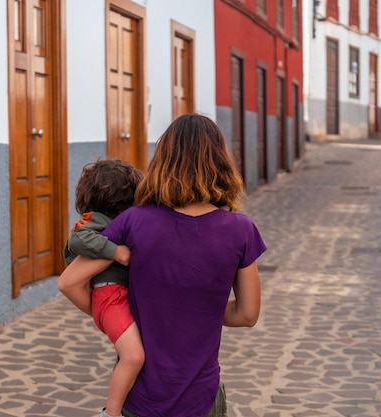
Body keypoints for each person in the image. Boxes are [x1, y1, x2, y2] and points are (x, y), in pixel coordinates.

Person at [58, 113, 267, 417]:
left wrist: (118, 314)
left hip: (139, 399)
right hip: (201, 399)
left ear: (163, 161)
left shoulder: (134, 221)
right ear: (222, 163)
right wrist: (195, 306)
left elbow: (70, 281)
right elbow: (247, 314)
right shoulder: (241, 231)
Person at [61, 158, 145, 417]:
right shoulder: (97, 220)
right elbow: (77, 239)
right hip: (110, 296)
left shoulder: (127, 220)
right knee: (133, 356)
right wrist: (115, 252)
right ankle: (111, 413)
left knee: (132, 355)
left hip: (119, 297)